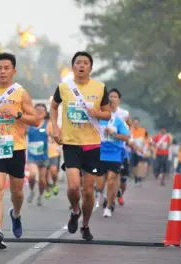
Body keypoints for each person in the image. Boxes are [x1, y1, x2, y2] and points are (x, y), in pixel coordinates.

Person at [0, 53, 41, 249]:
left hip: (16, 148)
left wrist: (17, 114)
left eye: (6, 68)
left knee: (17, 192)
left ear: (14, 71)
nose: (2, 71)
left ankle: (16, 214)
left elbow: (36, 120)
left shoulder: (21, 93)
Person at [50, 51, 111, 241]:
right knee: (74, 186)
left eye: (85, 63)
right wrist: (56, 127)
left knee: (88, 190)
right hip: (71, 143)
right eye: (78, 63)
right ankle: (75, 210)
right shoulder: (64, 87)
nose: (82, 66)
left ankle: (85, 225)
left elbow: (108, 114)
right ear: (73, 66)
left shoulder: (100, 88)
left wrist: (97, 113)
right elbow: (53, 107)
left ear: (91, 68)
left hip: (92, 145)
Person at [96, 89, 130, 218]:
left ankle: (109, 206)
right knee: (99, 185)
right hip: (100, 154)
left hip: (115, 154)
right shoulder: (98, 120)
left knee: (111, 181)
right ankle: (104, 194)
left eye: (111, 106)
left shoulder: (118, 121)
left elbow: (127, 137)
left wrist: (114, 134)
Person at [26, 103, 50, 206]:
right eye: (37, 110)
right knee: (32, 175)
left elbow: (55, 134)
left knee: (42, 181)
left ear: (45, 114)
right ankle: (32, 190)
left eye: (42, 111)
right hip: (32, 155)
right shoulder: (28, 124)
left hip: (43, 157)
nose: (39, 112)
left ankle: (40, 195)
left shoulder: (48, 125)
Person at [46, 117, 61, 197]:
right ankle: (47, 190)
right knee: (45, 173)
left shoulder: (52, 124)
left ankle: (54, 184)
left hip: (54, 152)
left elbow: (60, 134)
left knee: (53, 171)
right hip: (43, 153)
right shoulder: (36, 125)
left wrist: (59, 146)